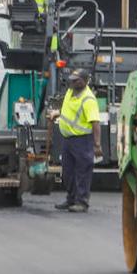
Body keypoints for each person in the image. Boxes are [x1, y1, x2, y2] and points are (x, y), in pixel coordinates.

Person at [53, 68, 101, 213]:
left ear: (85, 81)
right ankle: (71, 199)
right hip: (68, 140)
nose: (73, 82)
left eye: (77, 80)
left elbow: (95, 123)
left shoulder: (88, 99)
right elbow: (68, 109)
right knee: (68, 172)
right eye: (72, 79)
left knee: (82, 172)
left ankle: (82, 202)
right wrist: (57, 113)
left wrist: (97, 145)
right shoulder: (70, 92)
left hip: (82, 140)